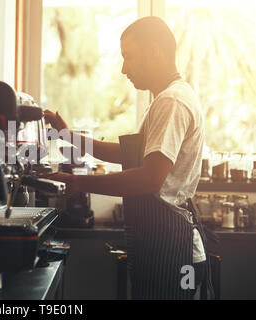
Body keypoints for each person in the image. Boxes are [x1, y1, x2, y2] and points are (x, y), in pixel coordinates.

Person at [44, 16, 211, 299]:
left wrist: (78, 183)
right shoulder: (164, 99)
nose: (124, 69)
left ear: (155, 52)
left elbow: (150, 178)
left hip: (175, 253)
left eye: (129, 57)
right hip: (161, 246)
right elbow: (127, 154)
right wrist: (69, 135)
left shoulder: (172, 101)